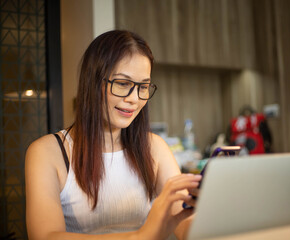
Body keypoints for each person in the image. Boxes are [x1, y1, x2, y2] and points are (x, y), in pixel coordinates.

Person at [25, 30, 201, 240]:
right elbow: (45, 236)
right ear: (93, 82)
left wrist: (203, 217)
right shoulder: (47, 152)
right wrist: (140, 236)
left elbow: (183, 223)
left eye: (143, 87)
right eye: (123, 84)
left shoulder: (155, 147)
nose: (134, 99)